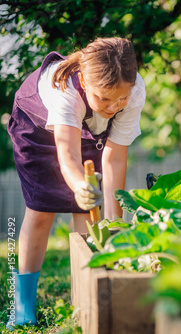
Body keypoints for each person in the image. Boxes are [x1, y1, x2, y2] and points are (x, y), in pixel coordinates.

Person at [7, 37, 145, 328]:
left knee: (87, 212)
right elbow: (67, 155)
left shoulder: (132, 90)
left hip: (86, 130)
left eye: (121, 99)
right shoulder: (66, 90)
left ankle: (86, 296)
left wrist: (113, 223)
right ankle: (22, 307)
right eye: (105, 99)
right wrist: (78, 185)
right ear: (83, 78)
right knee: (42, 209)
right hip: (36, 128)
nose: (114, 106)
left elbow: (114, 158)